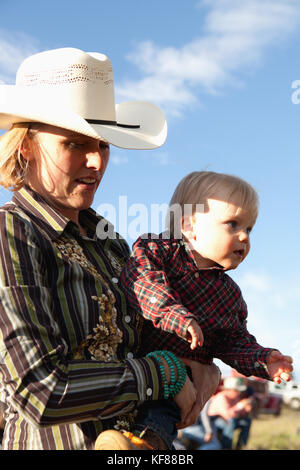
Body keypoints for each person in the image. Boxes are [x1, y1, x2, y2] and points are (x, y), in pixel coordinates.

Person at [0, 48, 221, 450]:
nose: (96, 162)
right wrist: (162, 373)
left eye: (103, 145)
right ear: (27, 146)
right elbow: (39, 390)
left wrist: (199, 364)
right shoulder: (10, 232)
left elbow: (145, 342)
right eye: (74, 144)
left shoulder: (110, 242)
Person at [120, 171, 293, 441]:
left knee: (162, 416)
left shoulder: (228, 294)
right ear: (189, 227)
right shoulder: (159, 251)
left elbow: (233, 341)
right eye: (232, 224)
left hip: (180, 384)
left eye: (249, 228)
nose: (245, 237)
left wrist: (263, 360)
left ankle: (143, 447)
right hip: (138, 365)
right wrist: (176, 316)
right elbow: (144, 282)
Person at [208, 377, 255, 449]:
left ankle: (240, 446)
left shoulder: (235, 397)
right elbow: (228, 415)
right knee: (230, 422)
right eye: (237, 390)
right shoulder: (221, 397)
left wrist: (246, 410)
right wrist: (240, 406)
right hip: (213, 421)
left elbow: (238, 413)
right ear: (229, 390)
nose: (239, 392)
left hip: (226, 420)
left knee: (247, 421)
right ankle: (226, 447)